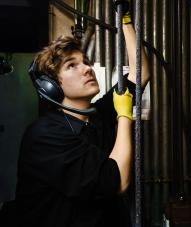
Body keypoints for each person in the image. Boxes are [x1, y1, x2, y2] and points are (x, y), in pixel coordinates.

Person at [0, 1, 150, 226]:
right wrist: (125, 116)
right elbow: (116, 182)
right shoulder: (45, 136)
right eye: (72, 65)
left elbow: (140, 74)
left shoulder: (98, 114)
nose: (87, 68)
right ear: (51, 86)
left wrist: (125, 18)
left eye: (86, 62)